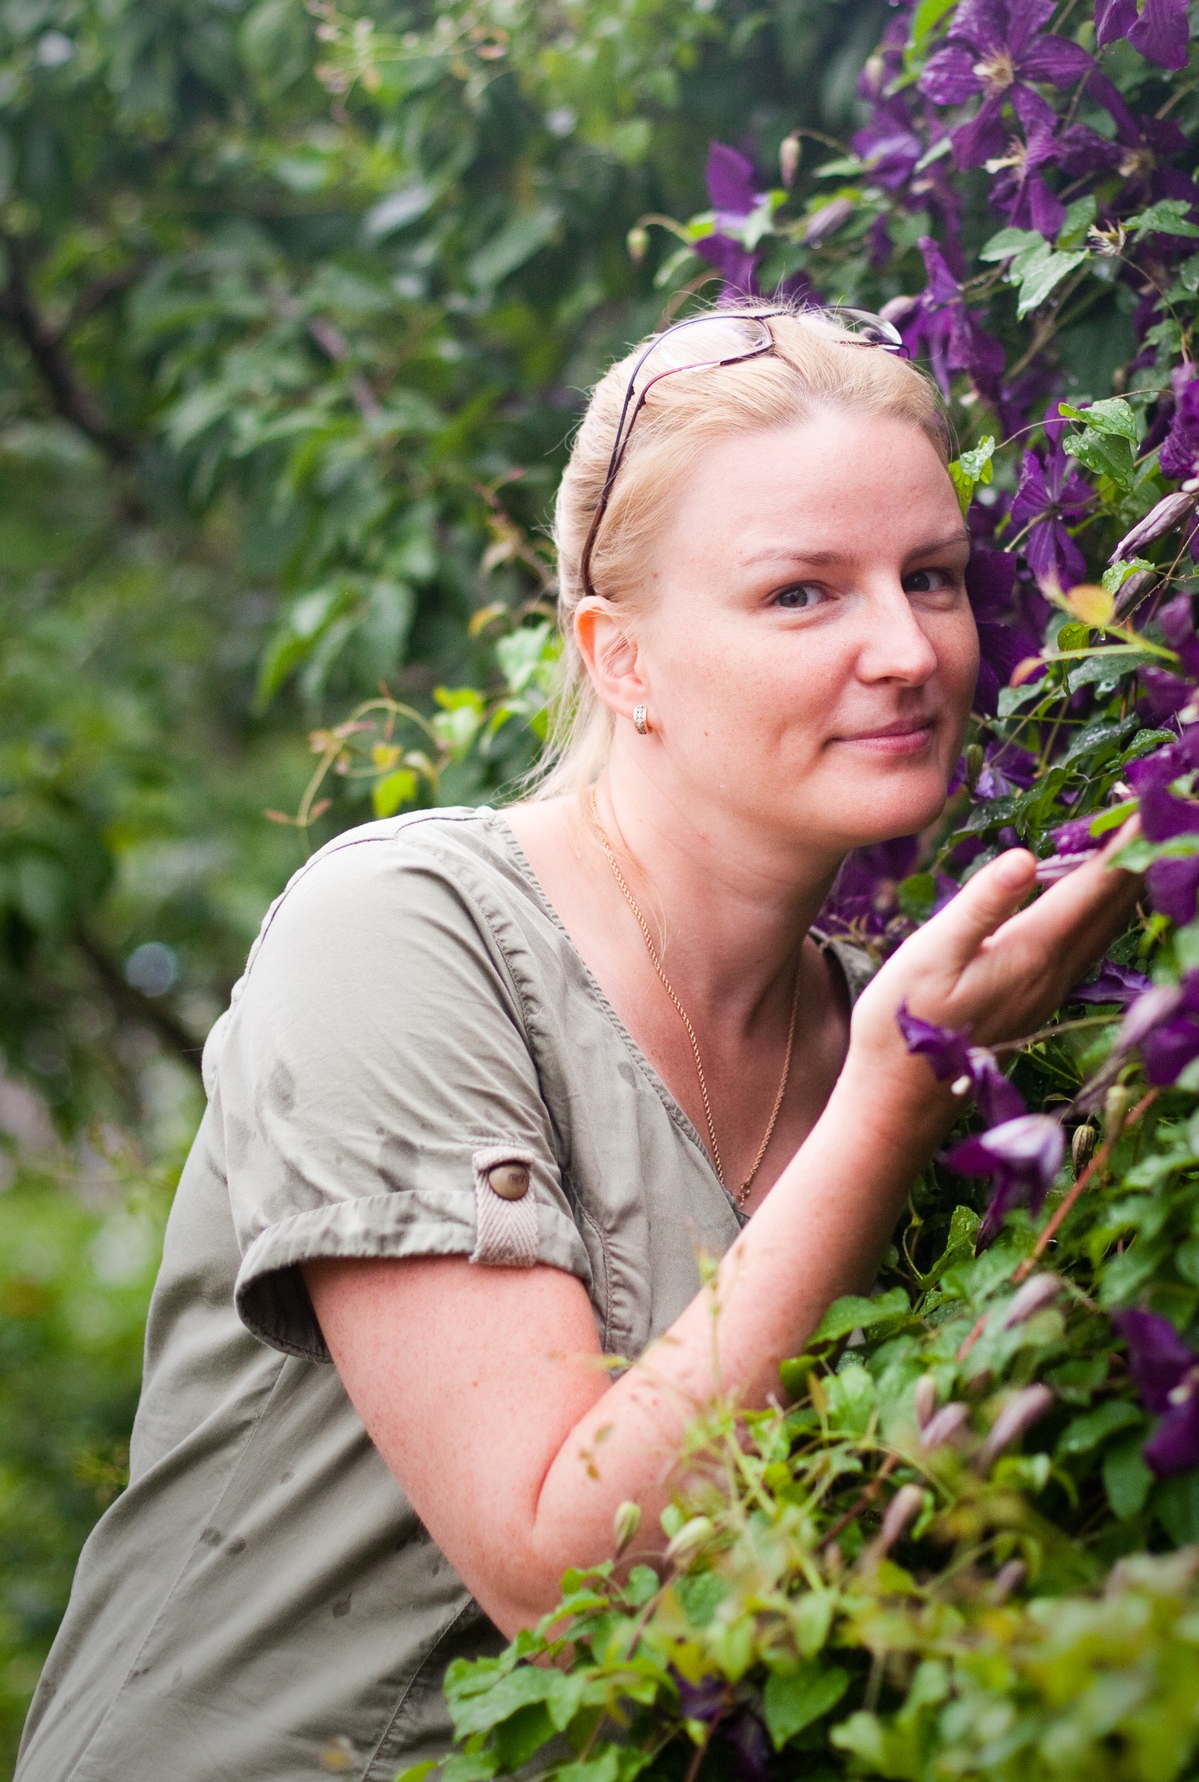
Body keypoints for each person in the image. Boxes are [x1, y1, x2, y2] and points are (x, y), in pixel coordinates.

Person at [16, 306, 1133, 1782]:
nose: (906, 649)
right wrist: (897, 1104)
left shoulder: (889, 1030)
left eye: (929, 576)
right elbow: (563, 1583)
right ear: (623, 660)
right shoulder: (403, 932)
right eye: (801, 592)